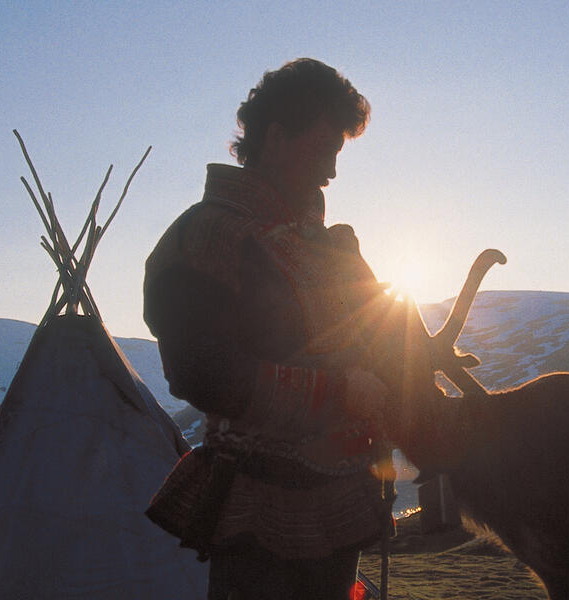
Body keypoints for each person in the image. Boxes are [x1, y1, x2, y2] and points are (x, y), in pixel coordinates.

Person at [144, 58, 392, 600]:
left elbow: (380, 338)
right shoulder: (204, 238)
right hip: (257, 501)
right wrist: (342, 391)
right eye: (325, 150)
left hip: (341, 496)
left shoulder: (330, 245)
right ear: (277, 136)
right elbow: (201, 371)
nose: (332, 172)